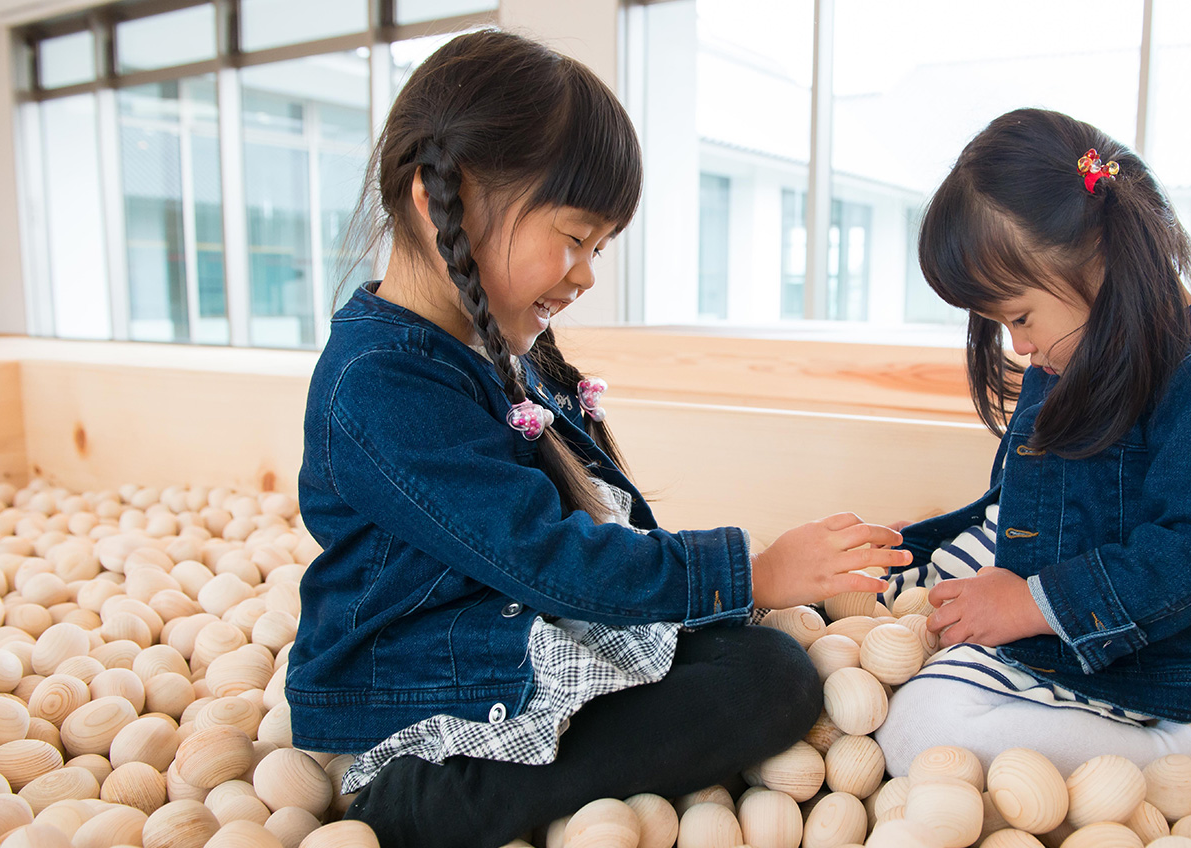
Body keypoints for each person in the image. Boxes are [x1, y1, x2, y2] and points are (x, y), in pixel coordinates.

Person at [287, 30, 906, 847]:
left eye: (599, 247)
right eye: (574, 238)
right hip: (432, 689)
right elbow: (544, 556)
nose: (584, 274)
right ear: (439, 202)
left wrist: (712, 593)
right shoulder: (382, 384)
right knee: (770, 682)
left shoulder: (489, 343)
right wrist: (751, 572)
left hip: (512, 635)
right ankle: (427, 799)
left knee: (752, 658)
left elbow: (592, 530)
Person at [873, 108, 1191, 794]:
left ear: (1101, 265)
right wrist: (907, 552)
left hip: (1136, 660)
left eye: (1019, 317)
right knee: (882, 655)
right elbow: (1016, 509)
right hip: (1045, 605)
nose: (1018, 348)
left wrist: (1031, 606)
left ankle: (1180, 760)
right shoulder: (1074, 352)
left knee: (920, 729)